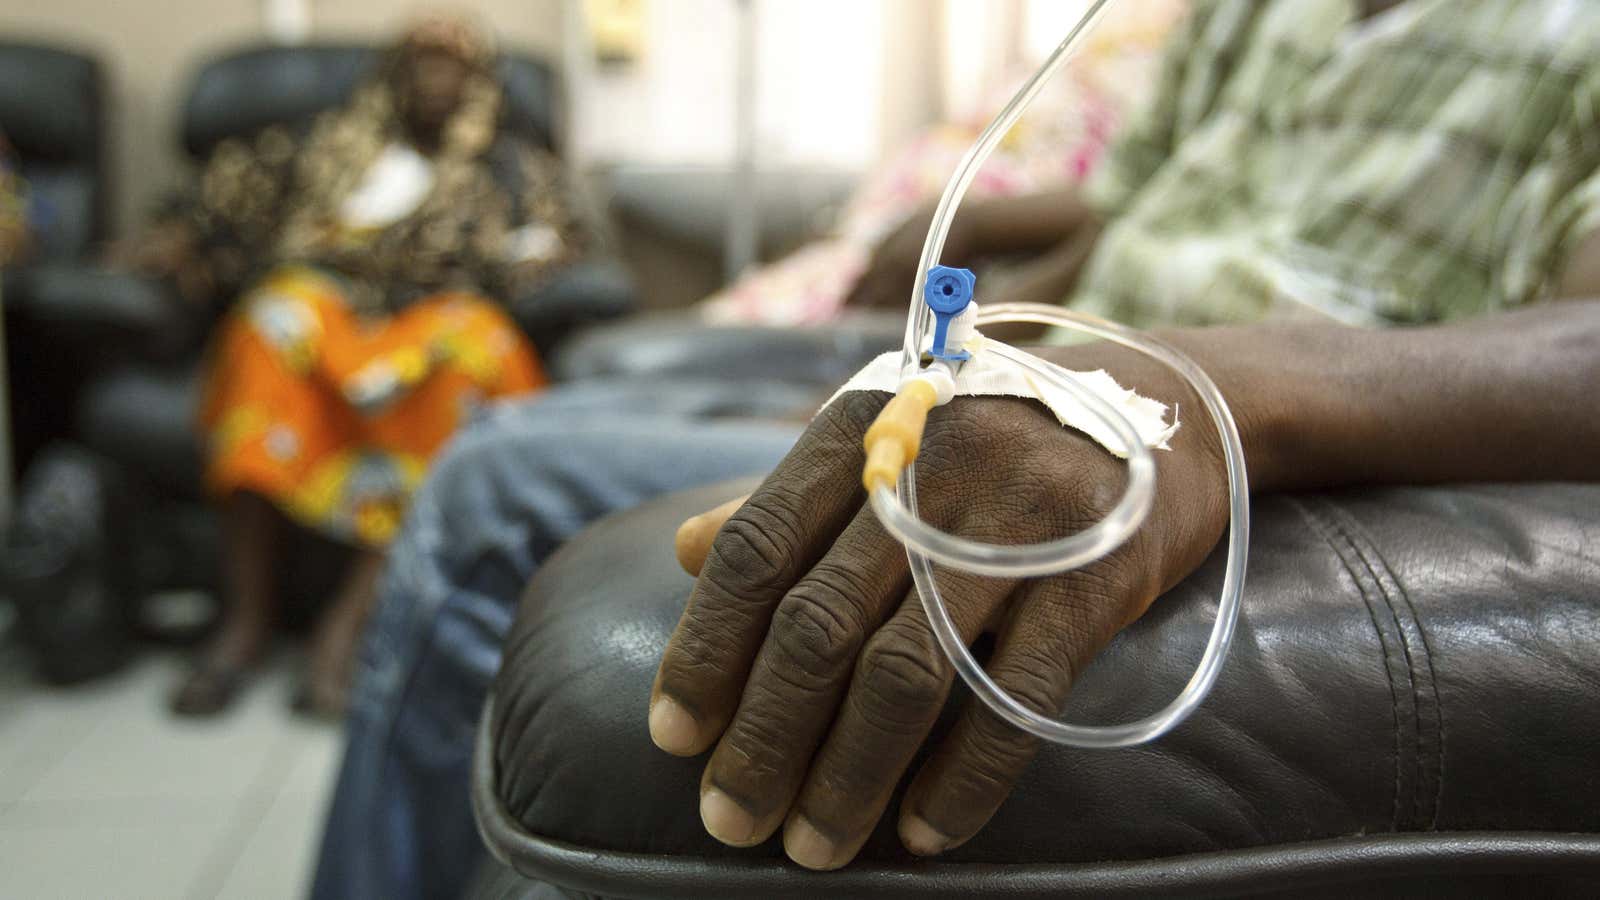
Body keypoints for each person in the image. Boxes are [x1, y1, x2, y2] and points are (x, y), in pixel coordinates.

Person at [312, 0, 1600, 896]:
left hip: (1193, 417)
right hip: (1030, 361)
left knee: (487, 494)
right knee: (518, 420)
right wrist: (970, 239)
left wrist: (1174, 390)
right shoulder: (1255, 12)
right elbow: (1137, 214)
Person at [118, 16, 595, 717]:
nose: (435, 79)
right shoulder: (324, 146)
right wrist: (173, 243)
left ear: (479, 80)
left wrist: (529, 252)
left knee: (478, 348)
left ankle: (342, 635)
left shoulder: (511, 165)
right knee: (266, 323)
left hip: (433, 315)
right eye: (421, 63)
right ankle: (242, 624)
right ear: (393, 73)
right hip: (325, 304)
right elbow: (214, 206)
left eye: (451, 65)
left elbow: (559, 246)